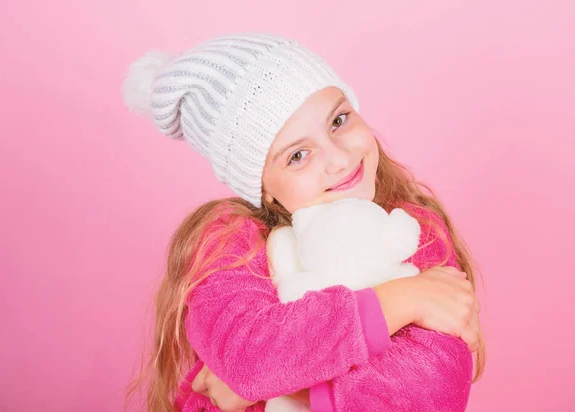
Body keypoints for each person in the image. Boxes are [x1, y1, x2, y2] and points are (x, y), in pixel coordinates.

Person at [123, 33, 485, 412]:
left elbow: (431, 389)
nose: (339, 159)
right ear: (262, 187)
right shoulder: (229, 244)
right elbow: (252, 357)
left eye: (339, 120)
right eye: (297, 155)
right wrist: (403, 299)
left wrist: (282, 390)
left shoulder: (414, 230)